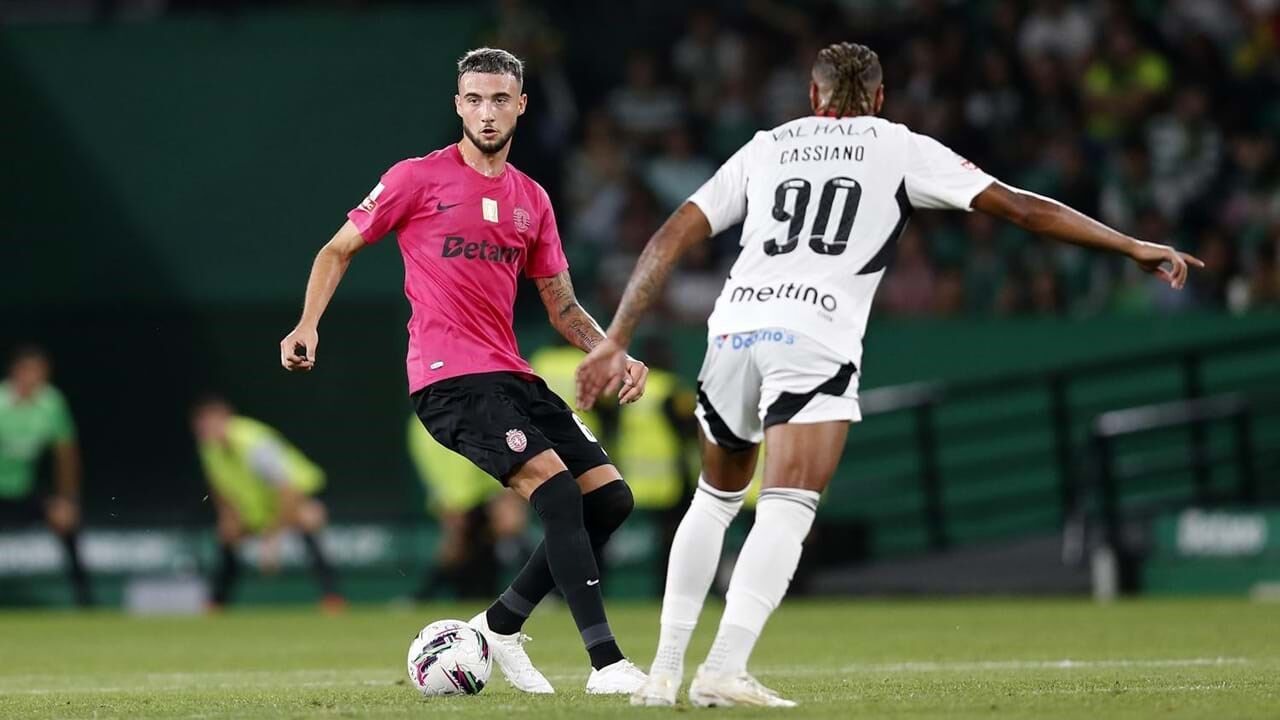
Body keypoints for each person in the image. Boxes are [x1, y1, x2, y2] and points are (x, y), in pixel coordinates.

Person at [576, 42, 1204, 707]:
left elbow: (670, 235)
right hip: (813, 333)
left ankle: (664, 674)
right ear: (879, 98)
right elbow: (1022, 207)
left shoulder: (766, 146)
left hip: (734, 326)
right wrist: (1128, 245)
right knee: (787, 506)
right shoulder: (899, 147)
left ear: (813, 96)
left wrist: (617, 336)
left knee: (713, 499)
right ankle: (723, 669)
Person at [278, 47, 649, 694]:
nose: (487, 112)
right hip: (448, 379)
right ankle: (607, 665)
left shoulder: (532, 198)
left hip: (512, 375)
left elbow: (561, 305)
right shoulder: (415, 179)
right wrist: (307, 323)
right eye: (474, 99)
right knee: (559, 495)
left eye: (500, 99)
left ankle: (501, 625)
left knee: (610, 499)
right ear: (458, 105)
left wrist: (610, 347)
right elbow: (337, 250)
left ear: (521, 106)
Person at [191, 396, 343, 612]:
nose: (207, 429)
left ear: (227, 419)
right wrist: (228, 518)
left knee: (308, 521)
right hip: (258, 508)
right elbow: (217, 487)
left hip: (299, 495)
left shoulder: (253, 442)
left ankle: (333, 598)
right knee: (227, 536)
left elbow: (287, 490)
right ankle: (216, 603)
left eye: (212, 423)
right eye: (202, 425)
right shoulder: (208, 447)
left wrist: (272, 541)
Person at [0, 345, 91, 607]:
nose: (37, 378)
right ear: (16, 372)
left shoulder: (51, 402)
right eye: (31, 372)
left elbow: (66, 455)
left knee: (67, 522)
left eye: (41, 373)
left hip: (24, 490)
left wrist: (67, 500)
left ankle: (86, 602)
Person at [407, 414, 529, 601]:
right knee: (456, 547)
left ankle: (546, 594)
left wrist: (506, 489)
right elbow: (430, 465)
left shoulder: (485, 405)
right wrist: (451, 502)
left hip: (492, 488)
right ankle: (421, 598)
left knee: (509, 530)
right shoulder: (422, 423)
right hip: (458, 498)